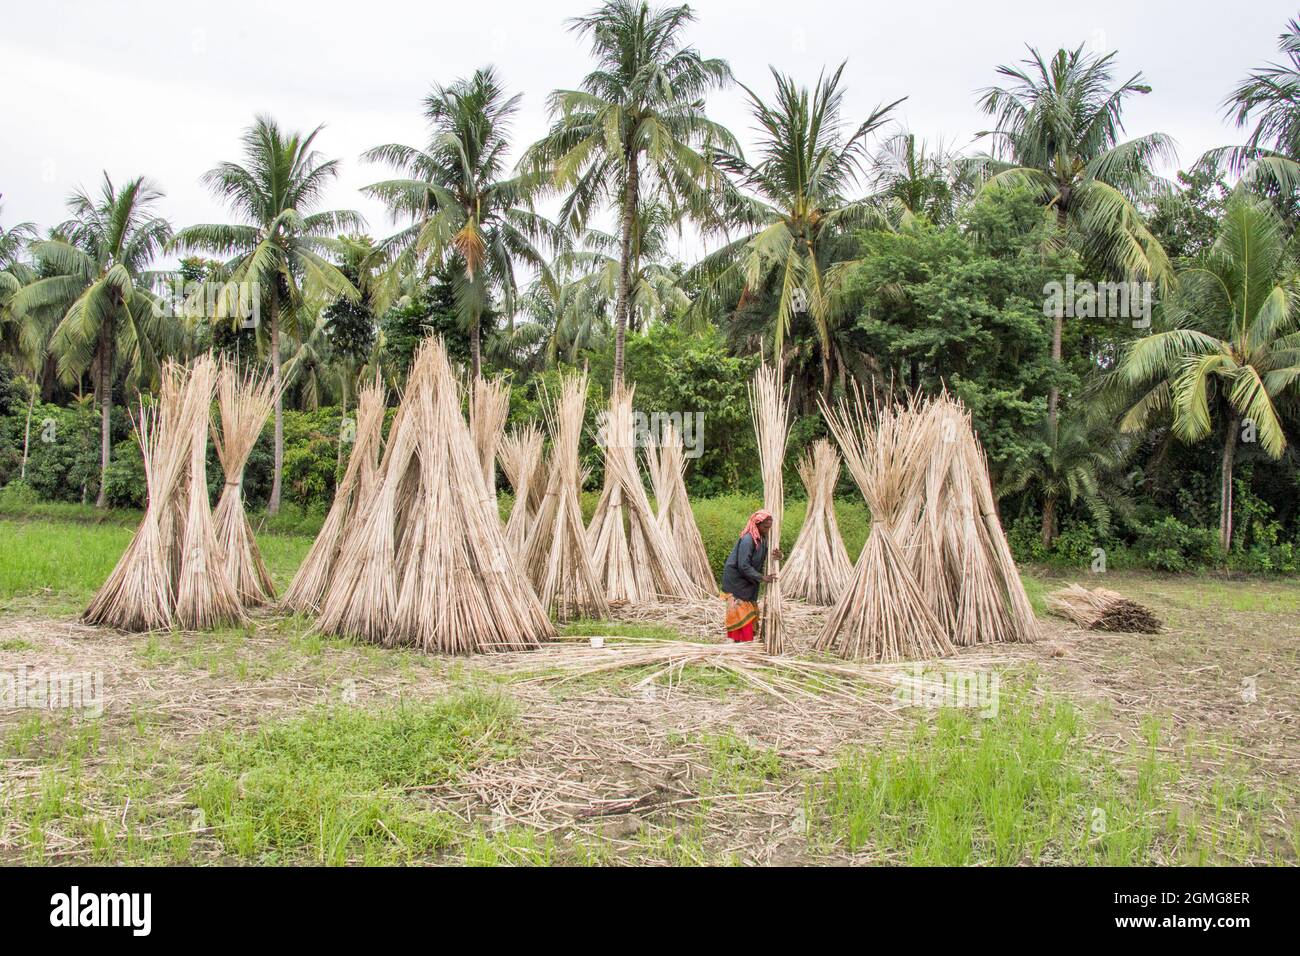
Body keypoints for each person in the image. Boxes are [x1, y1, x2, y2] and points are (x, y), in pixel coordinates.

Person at [720, 509, 780, 643]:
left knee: (748, 611)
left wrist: (778, 556)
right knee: (741, 611)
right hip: (736, 581)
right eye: (765, 527)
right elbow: (743, 565)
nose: (767, 530)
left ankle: (745, 642)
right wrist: (762, 577)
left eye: (769, 527)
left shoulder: (763, 538)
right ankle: (740, 642)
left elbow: (768, 554)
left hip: (748, 580)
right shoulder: (748, 539)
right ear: (757, 525)